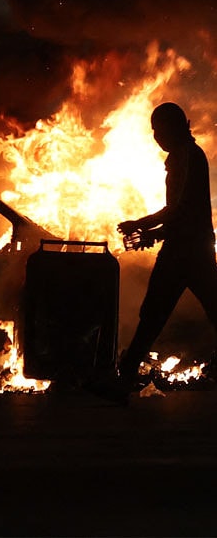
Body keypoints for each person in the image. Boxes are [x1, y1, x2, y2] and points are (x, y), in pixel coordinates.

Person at [108, 102, 217, 403]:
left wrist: (147, 229)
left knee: (155, 314)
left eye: (159, 129)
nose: (156, 136)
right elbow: (178, 211)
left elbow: (181, 210)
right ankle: (125, 376)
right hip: (186, 249)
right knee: (154, 313)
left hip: (189, 251)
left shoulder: (189, 158)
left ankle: (124, 378)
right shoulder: (182, 156)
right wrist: (150, 230)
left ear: (175, 126)